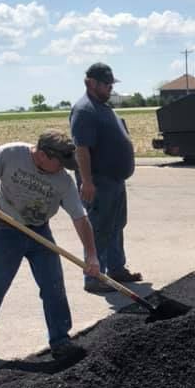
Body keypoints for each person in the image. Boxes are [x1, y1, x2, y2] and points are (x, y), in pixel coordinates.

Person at [0, 131, 101, 369]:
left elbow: (80, 217)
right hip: (6, 229)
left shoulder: (63, 180)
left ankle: (60, 341)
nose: (64, 169)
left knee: (54, 288)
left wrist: (92, 255)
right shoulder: (11, 154)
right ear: (43, 155)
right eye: (60, 163)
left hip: (39, 233)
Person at [70, 62, 142, 293]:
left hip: (115, 181)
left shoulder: (103, 107)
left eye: (111, 84)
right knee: (99, 228)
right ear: (90, 83)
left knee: (116, 225)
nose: (110, 88)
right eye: (106, 84)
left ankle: (116, 269)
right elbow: (82, 149)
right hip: (99, 182)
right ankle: (94, 277)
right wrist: (87, 182)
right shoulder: (84, 110)